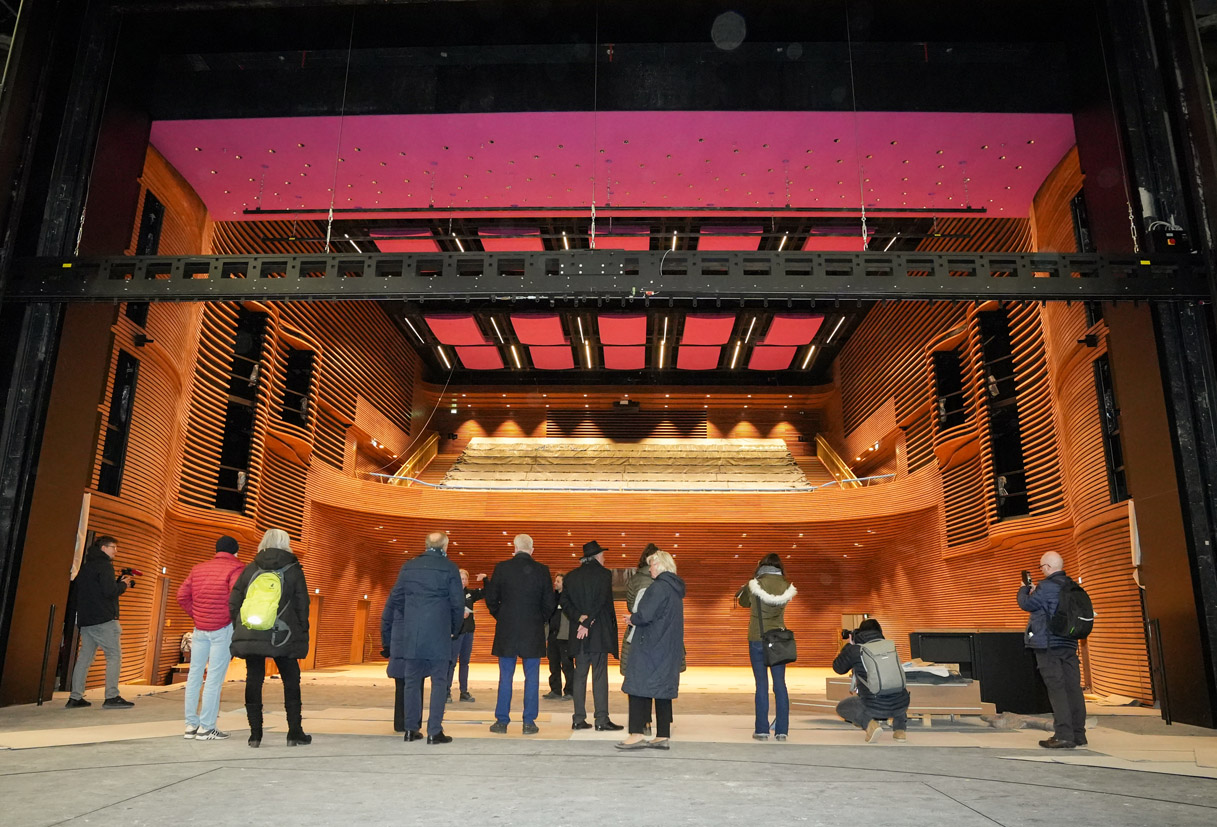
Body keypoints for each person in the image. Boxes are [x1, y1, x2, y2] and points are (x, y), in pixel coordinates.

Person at [229, 528, 311, 747]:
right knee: (291, 680)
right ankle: (294, 732)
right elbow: (302, 604)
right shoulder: (294, 570)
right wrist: (302, 631)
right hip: (283, 635)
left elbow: (234, 601)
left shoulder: (250, 569)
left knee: (253, 680)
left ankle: (255, 735)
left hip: (252, 631)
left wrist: (241, 626)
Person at [381, 531, 464, 744]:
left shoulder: (408, 567)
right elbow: (457, 603)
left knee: (411, 681)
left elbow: (395, 598)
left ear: (426, 545)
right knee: (439, 682)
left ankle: (410, 730)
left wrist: (411, 616)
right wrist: (454, 629)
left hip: (413, 634)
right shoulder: (449, 568)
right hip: (439, 634)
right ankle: (434, 731)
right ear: (445, 546)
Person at [485, 534, 556, 735]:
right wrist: (539, 619)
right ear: (532, 550)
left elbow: (491, 599)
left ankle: (501, 721)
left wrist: (501, 616)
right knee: (532, 678)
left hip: (507, 630)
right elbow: (549, 603)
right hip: (532, 631)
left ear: (514, 548)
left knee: (505, 677)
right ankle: (529, 722)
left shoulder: (502, 568)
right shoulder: (542, 570)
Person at [176, 535, 244, 739]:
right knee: (214, 678)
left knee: (194, 676)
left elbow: (182, 596)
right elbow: (237, 598)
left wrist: (198, 615)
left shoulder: (198, 569)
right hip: (222, 628)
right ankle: (206, 727)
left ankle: (190, 726)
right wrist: (230, 619)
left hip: (200, 629)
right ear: (235, 551)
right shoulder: (237, 568)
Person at [1018, 550, 1088, 749]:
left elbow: (1027, 604)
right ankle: (1078, 734)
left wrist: (1024, 589)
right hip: (1069, 644)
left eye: (1042, 567)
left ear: (1048, 567)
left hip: (1048, 645)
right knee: (1073, 688)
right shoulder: (1072, 585)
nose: (1041, 570)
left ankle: (1064, 735)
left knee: (1057, 689)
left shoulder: (1046, 586)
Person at [616, 550, 685, 751]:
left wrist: (632, 618)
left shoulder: (658, 587)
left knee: (637, 688)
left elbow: (645, 615)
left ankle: (636, 734)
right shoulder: (674, 589)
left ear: (661, 566)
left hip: (649, 647)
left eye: (652, 565)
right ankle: (662, 735)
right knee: (662, 691)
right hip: (667, 648)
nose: (650, 569)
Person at [66, 536, 135, 709]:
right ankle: (112, 696)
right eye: (113, 547)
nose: (115, 551)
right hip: (104, 620)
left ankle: (75, 697)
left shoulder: (86, 567)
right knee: (114, 656)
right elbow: (109, 592)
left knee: (84, 658)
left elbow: (91, 591)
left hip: (86, 620)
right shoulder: (105, 566)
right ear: (104, 548)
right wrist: (123, 585)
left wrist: (116, 584)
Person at [563, 540, 622, 731]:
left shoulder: (571, 577)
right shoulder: (604, 574)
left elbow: (564, 602)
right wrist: (588, 623)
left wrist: (580, 619)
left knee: (579, 676)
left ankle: (578, 719)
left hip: (579, 634)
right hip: (598, 634)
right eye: (603, 555)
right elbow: (601, 602)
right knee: (600, 676)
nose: (604, 558)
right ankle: (601, 720)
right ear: (596, 556)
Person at [737, 552, 797, 740]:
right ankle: (782, 731)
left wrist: (748, 584)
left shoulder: (755, 584)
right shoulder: (786, 585)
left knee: (761, 684)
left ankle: (762, 730)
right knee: (780, 684)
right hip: (778, 639)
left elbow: (743, 603)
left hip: (757, 638)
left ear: (761, 565)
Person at [832, 618, 911, 743]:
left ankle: (870, 725)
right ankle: (900, 731)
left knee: (843, 707)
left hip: (875, 707)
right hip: (901, 705)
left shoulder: (856, 649)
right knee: (893, 689)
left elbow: (838, 668)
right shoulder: (890, 646)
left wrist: (849, 646)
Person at [447, 568, 487, 703]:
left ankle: (463, 691)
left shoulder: (470, 594)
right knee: (451, 662)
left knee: (465, 662)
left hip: (468, 632)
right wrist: (459, 615)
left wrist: (485, 579)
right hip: (456, 633)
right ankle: (446, 691)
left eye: (465, 579)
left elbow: (486, 592)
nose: (463, 581)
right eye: (460, 579)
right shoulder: (450, 594)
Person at [543, 573, 574, 700]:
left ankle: (570, 691)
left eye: (558, 581)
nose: (555, 583)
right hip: (552, 635)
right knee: (553, 664)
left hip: (564, 636)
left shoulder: (569, 599)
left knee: (567, 665)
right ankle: (555, 690)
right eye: (555, 581)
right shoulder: (552, 599)